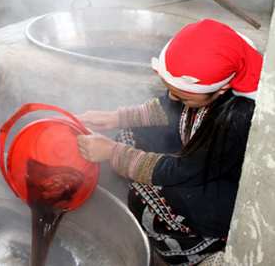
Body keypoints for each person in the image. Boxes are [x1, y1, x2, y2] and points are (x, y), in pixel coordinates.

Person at [76, 19, 263, 265]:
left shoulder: (238, 118)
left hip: (221, 188)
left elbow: (184, 170)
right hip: (197, 157)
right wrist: (116, 117)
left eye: (184, 97)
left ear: (222, 88)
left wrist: (113, 153)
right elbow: (169, 106)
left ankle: (197, 249)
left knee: (145, 200)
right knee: (127, 136)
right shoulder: (213, 83)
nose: (173, 97)